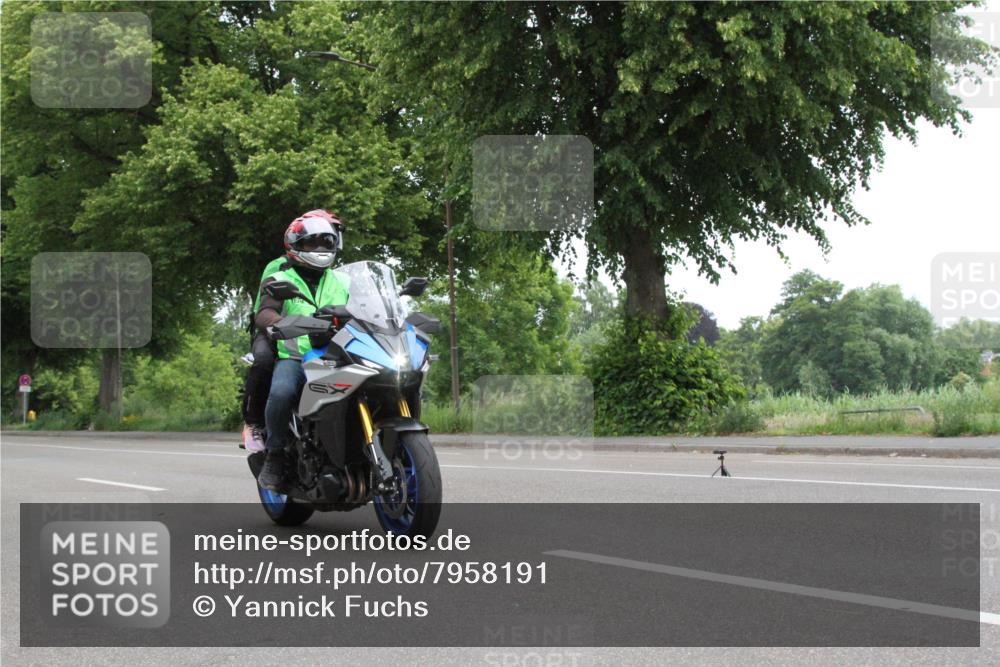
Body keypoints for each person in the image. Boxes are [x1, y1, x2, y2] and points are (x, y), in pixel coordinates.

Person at [255, 210, 351, 491]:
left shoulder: (344, 280)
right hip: (296, 357)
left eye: (325, 242)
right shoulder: (279, 278)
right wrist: (277, 324)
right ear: (296, 246)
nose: (320, 249)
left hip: (339, 355)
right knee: (281, 392)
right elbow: (265, 313)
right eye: (312, 244)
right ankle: (274, 454)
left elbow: (368, 308)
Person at [240, 255, 289, 452]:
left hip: (315, 333)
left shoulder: (333, 275)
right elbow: (265, 306)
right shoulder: (276, 266)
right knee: (264, 361)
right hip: (272, 329)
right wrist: (279, 323)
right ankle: (253, 423)